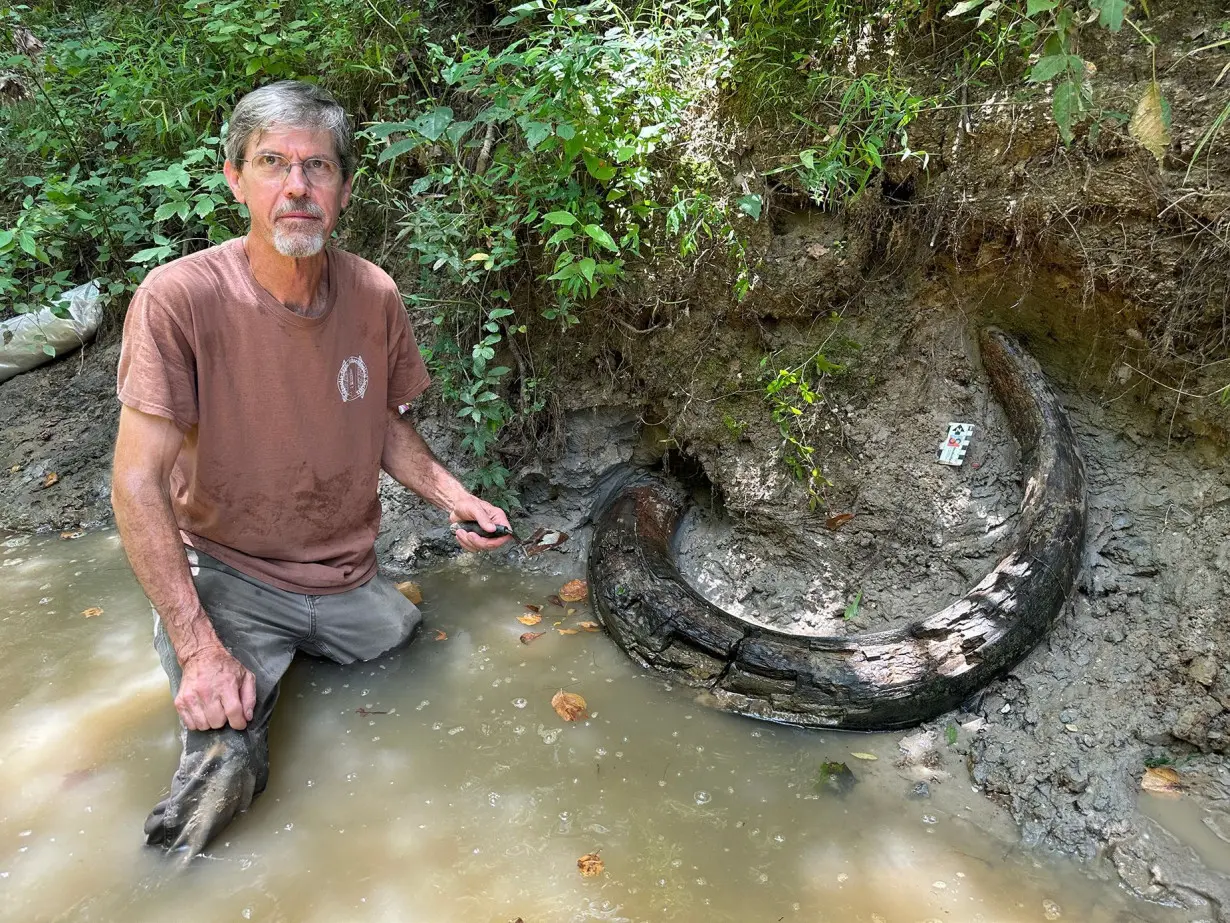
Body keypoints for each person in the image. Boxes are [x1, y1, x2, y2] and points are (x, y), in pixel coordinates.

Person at [110, 80, 512, 856]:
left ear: (345, 189)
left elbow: (386, 428)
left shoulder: (372, 293)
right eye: (273, 163)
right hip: (231, 572)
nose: (297, 186)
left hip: (344, 576)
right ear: (235, 177)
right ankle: (166, 885)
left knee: (409, 649)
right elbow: (135, 481)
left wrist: (456, 497)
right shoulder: (179, 298)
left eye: (318, 167)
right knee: (223, 765)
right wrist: (197, 646)